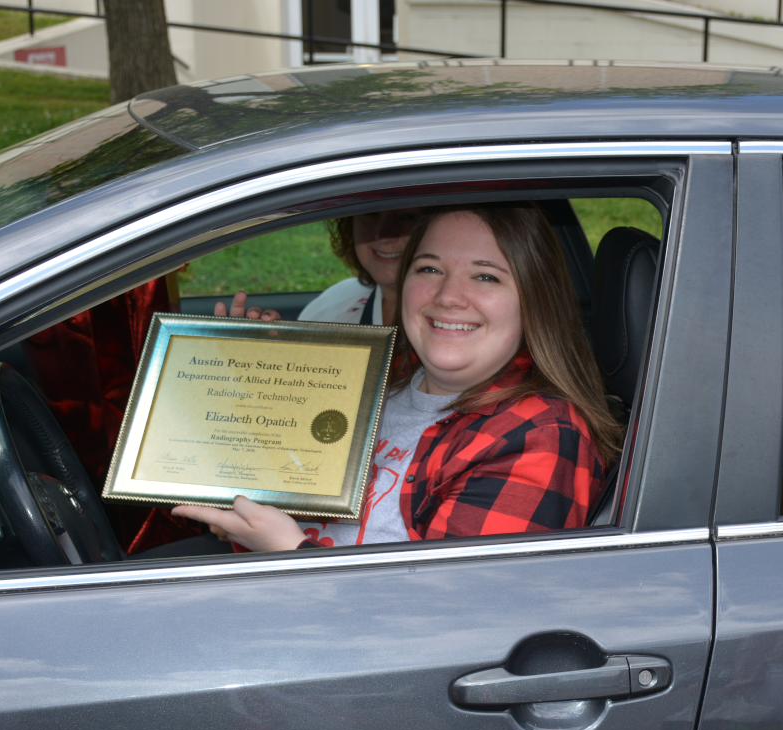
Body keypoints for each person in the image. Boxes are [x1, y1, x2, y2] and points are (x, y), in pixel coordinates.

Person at [172, 203, 622, 552]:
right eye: (429, 269)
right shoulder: (384, 376)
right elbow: (290, 483)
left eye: (485, 277)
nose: (448, 296)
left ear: (534, 298)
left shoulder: (538, 436)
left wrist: (289, 552)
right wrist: (254, 383)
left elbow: (450, 615)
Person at [213, 208, 421, 324]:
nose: (383, 234)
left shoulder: (440, 325)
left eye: (408, 217)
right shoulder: (335, 301)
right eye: (370, 213)